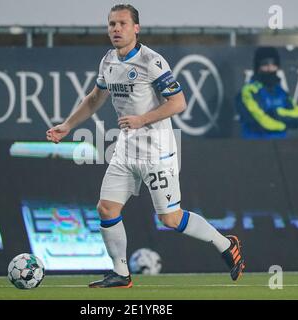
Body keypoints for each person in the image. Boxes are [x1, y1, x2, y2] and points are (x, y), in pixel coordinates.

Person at [46, 4, 245, 288]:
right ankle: (121, 273)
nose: (116, 29)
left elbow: (179, 102)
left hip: (157, 150)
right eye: (112, 24)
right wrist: (67, 126)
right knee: (106, 208)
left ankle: (226, 244)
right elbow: (93, 99)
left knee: (170, 218)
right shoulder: (108, 60)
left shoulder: (152, 61)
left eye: (122, 24)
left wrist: (142, 119)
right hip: (126, 148)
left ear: (136, 28)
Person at [236, 47, 298, 139]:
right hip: (255, 146)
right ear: (258, 67)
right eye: (265, 64)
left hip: (280, 147)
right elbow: (261, 121)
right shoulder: (248, 91)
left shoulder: (281, 92)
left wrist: (276, 112)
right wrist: (283, 125)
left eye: (274, 64)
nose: (270, 68)